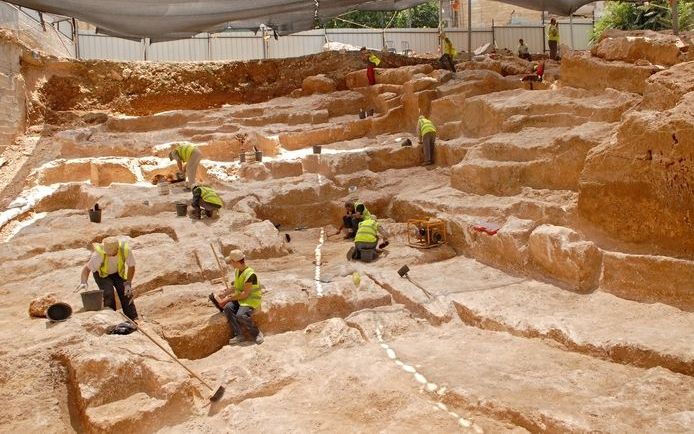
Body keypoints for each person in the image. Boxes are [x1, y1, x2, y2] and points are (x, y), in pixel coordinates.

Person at [76, 237, 139, 320]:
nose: (107, 254)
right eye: (106, 252)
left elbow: (131, 267)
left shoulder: (125, 250)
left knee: (126, 292)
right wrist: (83, 282)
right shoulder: (98, 254)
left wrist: (128, 283)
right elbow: (87, 269)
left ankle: (133, 317)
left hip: (117, 273)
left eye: (110, 253)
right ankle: (112, 318)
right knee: (108, 293)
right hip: (102, 275)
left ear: (117, 249)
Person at [213, 250, 263, 345]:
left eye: (231, 261)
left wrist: (228, 298)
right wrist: (225, 293)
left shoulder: (250, 274)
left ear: (236, 262)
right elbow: (236, 286)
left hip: (250, 300)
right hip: (241, 298)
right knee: (228, 308)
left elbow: (245, 294)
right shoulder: (237, 271)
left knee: (241, 315)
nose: (230, 264)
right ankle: (239, 335)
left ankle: (256, 333)